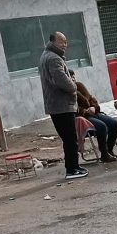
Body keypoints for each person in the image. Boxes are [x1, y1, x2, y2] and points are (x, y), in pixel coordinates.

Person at [38, 31, 88, 180]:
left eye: (66, 42)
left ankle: (74, 166)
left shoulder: (48, 56)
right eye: (61, 42)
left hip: (57, 105)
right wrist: (73, 85)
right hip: (61, 105)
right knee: (70, 138)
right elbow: (63, 82)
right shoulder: (53, 59)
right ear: (53, 41)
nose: (65, 45)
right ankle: (72, 169)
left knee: (69, 138)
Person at [72, 76, 117, 163]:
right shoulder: (67, 91)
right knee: (101, 126)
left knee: (114, 124)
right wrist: (85, 111)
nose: (73, 79)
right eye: (70, 77)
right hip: (82, 118)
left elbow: (91, 99)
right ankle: (104, 153)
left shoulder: (79, 86)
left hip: (93, 113)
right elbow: (72, 108)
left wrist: (94, 107)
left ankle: (109, 149)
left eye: (73, 77)